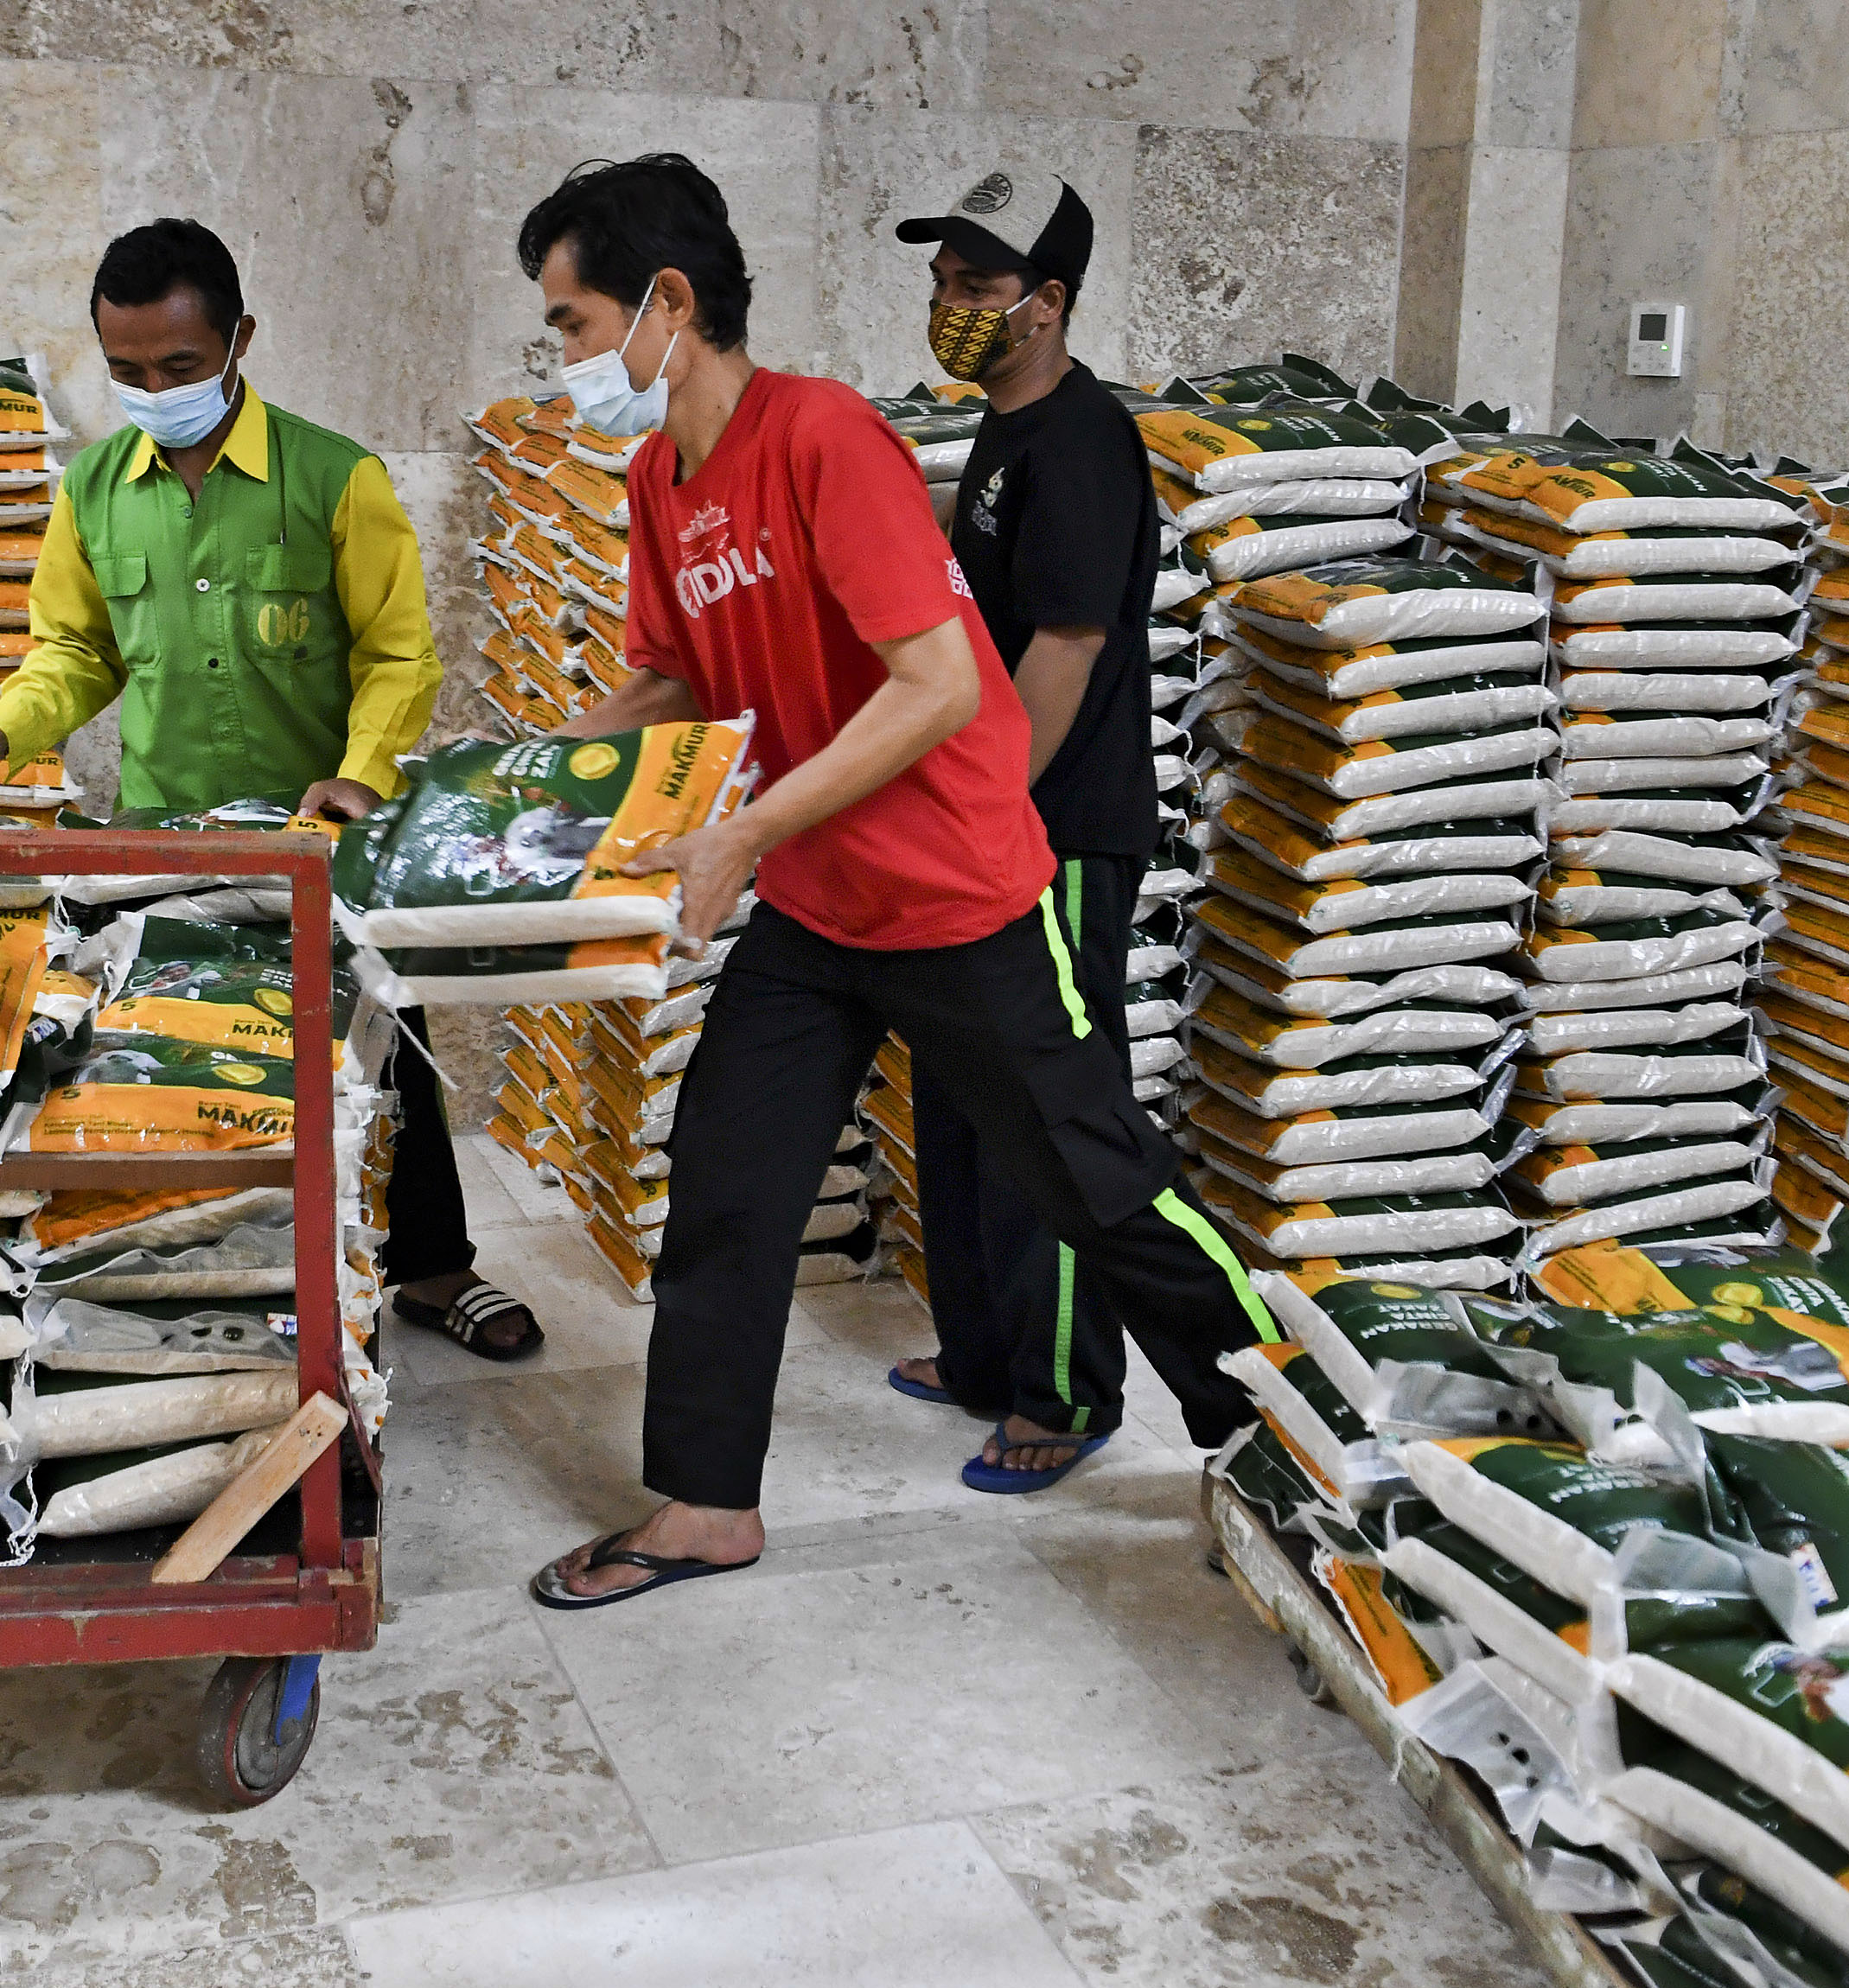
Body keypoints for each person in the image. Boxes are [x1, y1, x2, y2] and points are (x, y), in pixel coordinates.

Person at [506, 155, 1283, 1610]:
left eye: (570, 321)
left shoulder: (823, 439)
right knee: (730, 1180)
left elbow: (936, 684)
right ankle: (703, 1502)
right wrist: (535, 771)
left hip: (960, 894)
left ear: (666, 303)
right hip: (817, 908)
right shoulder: (660, 479)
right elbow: (675, 673)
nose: (561, 357)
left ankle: (1291, 1426)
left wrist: (738, 833)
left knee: (1099, 1185)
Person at [0, 219, 543, 1360]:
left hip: (322, 832)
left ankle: (435, 1267)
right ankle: (226, 1270)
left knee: (389, 1048)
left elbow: (399, 655)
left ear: (238, 339)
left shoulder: (338, 479)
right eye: (127, 372)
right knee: (189, 1059)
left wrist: (363, 774)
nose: (153, 390)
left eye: (178, 367)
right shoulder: (93, 490)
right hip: (164, 843)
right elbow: (73, 654)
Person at [882, 168, 1165, 1494]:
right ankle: (987, 1351)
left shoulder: (1082, 441)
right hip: (985, 826)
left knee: (1048, 1111)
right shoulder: (1005, 427)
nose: (951, 305)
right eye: (942, 282)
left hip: (1056, 832)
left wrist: (988, 808)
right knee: (962, 1092)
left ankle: (1068, 1388)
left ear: (1047, 304)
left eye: (978, 287)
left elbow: (1064, 646)